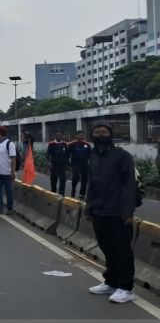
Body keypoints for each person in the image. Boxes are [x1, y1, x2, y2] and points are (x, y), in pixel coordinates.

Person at [85, 121, 137, 304]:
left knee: (122, 249)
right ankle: (111, 282)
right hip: (99, 209)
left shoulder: (122, 156)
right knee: (107, 247)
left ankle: (126, 288)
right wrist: (89, 207)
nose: (100, 136)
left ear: (111, 135)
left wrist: (127, 212)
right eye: (97, 133)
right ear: (92, 136)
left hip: (118, 211)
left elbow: (129, 184)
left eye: (104, 132)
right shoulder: (93, 156)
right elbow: (91, 183)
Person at [0, 126, 16, 215]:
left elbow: (13, 159)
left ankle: (10, 208)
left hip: (7, 173)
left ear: (0, 133)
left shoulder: (9, 144)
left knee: (9, 191)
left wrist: (12, 172)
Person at [69, 130, 92, 199]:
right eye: (79, 135)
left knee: (84, 179)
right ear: (76, 136)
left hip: (84, 164)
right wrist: (68, 164)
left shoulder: (87, 145)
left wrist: (90, 163)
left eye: (82, 135)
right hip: (75, 163)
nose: (81, 137)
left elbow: (90, 155)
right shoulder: (72, 144)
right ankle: (73, 189)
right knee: (76, 177)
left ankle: (82, 194)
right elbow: (68, 154)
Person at [47, 131, 69, 196]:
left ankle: (61, 194)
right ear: (55, 136)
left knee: (63, 180)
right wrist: (48, 162)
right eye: (57, 135)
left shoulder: (65, 144)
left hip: (62, 165)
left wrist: (67, 164)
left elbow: (67, 154)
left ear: (62, 136)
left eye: (60, 135)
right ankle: (53, 192)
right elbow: (48, 154)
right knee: (53, 180)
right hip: (54, 164)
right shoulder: (51, 144)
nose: (59, 136)